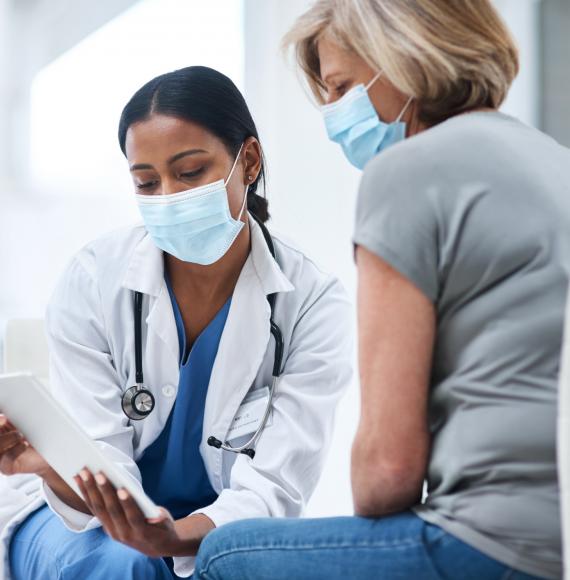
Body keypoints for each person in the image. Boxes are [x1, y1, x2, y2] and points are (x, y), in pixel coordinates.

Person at [192, 1, 570, 579]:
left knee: (225, 553)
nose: (334, 114)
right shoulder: (553, 161)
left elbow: (386, 474)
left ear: (406, 56)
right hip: (559, 538)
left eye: (342, 88)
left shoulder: (408, 172)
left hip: (493, 545)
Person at [0, 66, 353, 580]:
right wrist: (147, 534)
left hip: (215, 528)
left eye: (189, 173)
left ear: (247, 161)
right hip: (75, 517)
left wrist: (172, 537)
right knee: (133, 568)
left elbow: (275, 487)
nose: (168, 197)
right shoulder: (95, 279)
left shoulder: (312, 303)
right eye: (146, 182)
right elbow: (97, 464)